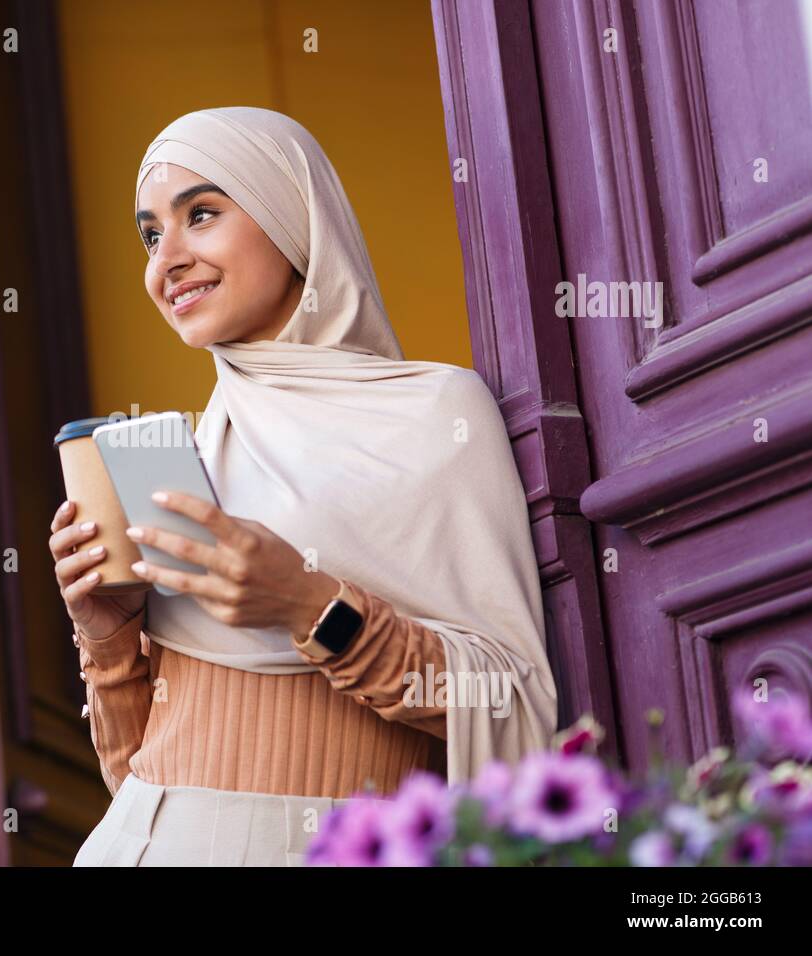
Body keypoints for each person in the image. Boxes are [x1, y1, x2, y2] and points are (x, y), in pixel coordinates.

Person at [49, 107, 558, 866]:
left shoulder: (432, 412)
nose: (167, 260)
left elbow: (512, 705)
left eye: (202, 214)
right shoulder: (189, 458)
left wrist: (309, 606)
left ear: (292, 213)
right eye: (152, 235)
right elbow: (133, 781)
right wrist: (108, 629)